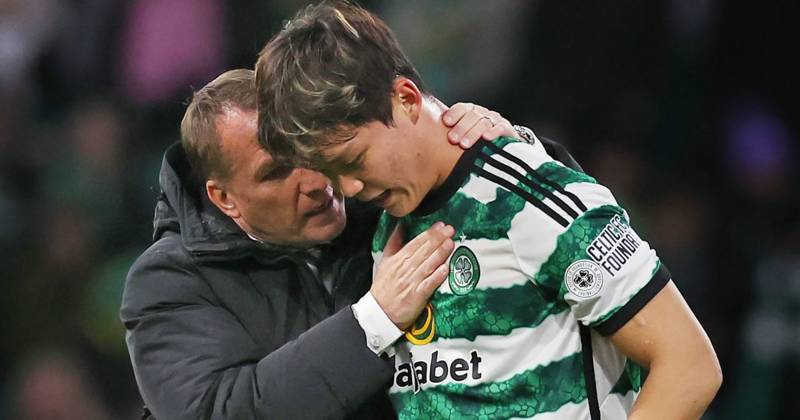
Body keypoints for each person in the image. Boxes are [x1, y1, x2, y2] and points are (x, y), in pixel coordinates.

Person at [254, 2, 723, 419]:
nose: (349, 188)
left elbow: (690, 366)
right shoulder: (387, 221)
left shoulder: (530, 200)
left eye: (354, 161)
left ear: (406, 99)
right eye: (330, 173)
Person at [121, 68, 581, 419]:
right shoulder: (169, 282)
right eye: (276, 171)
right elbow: (218, 411)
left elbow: (576, 232)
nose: (317, 182)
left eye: (310, 151)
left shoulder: (381, 196)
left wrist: (512, 150)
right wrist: (373, 320)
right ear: (225, 199)